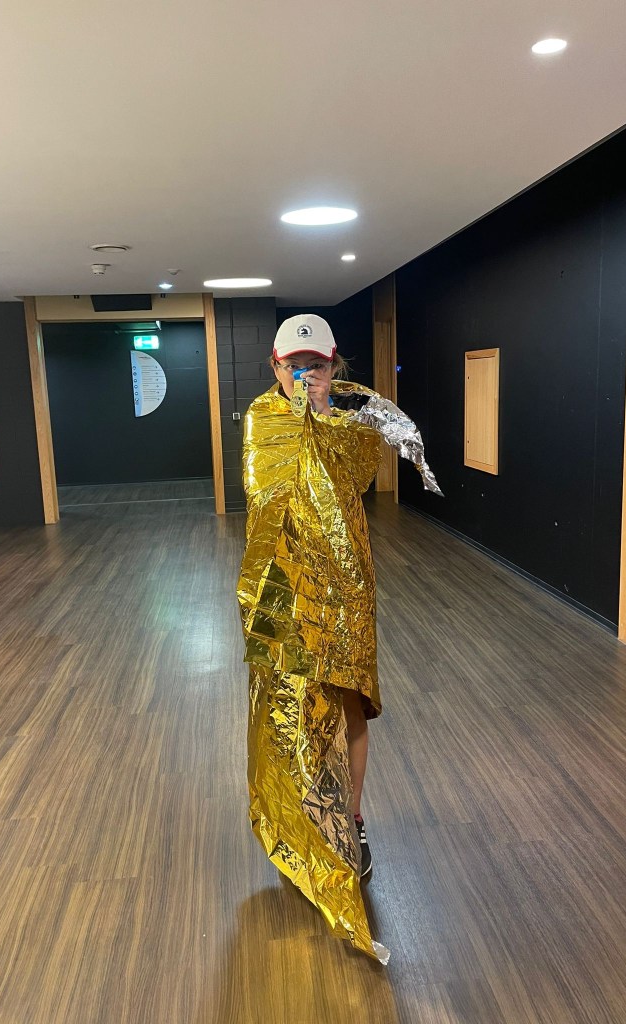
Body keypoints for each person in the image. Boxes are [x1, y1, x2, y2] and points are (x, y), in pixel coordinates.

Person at [237, 313, 440, 963]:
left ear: (334, 365)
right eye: (294, 366)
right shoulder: (261, 420)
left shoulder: (352, 422)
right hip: (282, 592)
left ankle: (349, 820)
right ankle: (300, 821)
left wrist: (326, 420)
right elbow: (263, 495)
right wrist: (302, 423)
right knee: (288, 710)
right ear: (276, 367)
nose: (306, 376)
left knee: (347, 702)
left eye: (317, 366)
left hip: (345, 589)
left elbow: (354, 481)